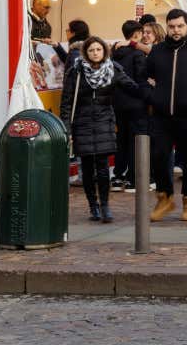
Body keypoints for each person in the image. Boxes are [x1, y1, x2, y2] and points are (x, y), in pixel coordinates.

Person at [142, 9, 187, 223]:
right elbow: (144, 76)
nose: (175, 30)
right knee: (159, 158)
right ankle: (165, 198)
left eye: (179, 26)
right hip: (162, 115)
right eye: (171, 26)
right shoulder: (158, 50)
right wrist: (152, 95)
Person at [60, 36, 124, 222]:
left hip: (104, 121)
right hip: (82, 123)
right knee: (87, 168)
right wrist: (67, 129)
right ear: (85, 53)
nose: (95, 53)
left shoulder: (113, 69)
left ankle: (105, 205)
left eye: (98, 49)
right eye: (91, 50)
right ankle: (93, 206)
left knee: (103, 168)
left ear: (104, 51)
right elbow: (66, 103)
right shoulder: (76, 72)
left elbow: (131, 86)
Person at [111, 21, 148, 193]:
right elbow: (141, 79)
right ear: (137, 34)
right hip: (136, 103)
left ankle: (118, 177)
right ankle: (133, 179)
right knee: (136, 141)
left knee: (121, 140)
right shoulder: (138, 54)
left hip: (118, 103)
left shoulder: (114, 53)